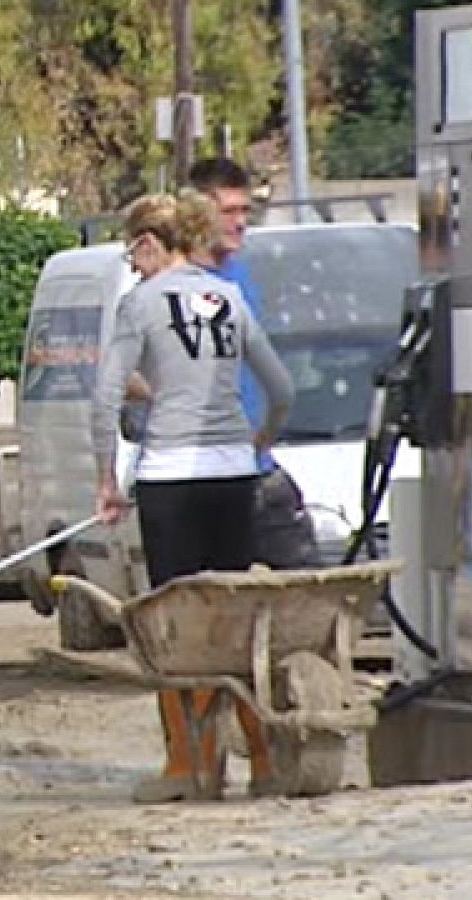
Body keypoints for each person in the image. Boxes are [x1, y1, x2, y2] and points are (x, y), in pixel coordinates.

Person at [90, 191, 294, 803]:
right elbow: (280, 388)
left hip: (170, 477)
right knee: (234, 619)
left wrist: (107, 478)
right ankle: (261, 760)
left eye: (135, 252)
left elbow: (104, 399)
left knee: (175, 627)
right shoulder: (229, 297)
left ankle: (191, 764)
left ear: (151, 242)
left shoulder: (141, 303)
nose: (135, 265)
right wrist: (254, 444)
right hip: (233, 474)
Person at [186, 158, 321, 571]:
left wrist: (264, 438)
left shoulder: (239, 278)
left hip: (258, 470)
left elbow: (272, 380)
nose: (241, 222)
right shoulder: (172, 288)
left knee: (311, 595)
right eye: (229, 211)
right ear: (197, 212)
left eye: (246, 211)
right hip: (201, 479)